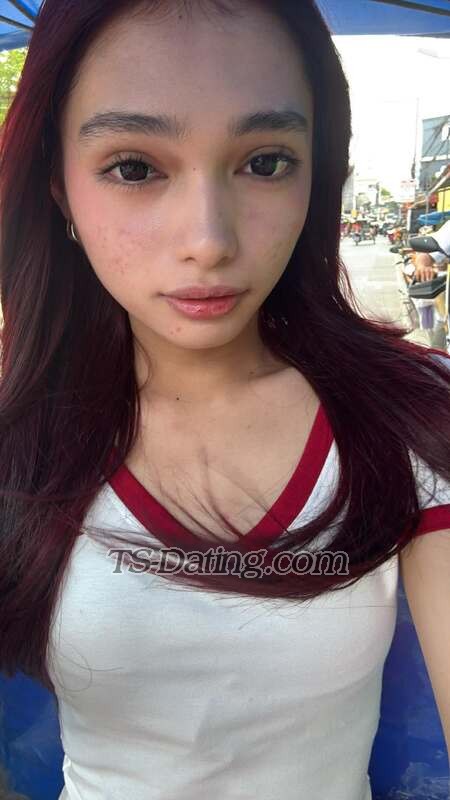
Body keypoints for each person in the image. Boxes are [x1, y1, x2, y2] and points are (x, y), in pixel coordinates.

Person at [0, 2, 449, 800]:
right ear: (59, 188)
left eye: (266, 162)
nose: (209, 240)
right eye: (134, 168)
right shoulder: (16, 434)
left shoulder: (411, 417)